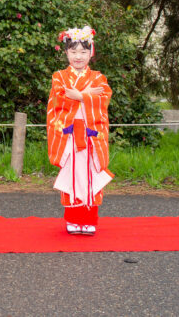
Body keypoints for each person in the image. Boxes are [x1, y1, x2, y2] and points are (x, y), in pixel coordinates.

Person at [46, 26, 114, 235]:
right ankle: (73, 219)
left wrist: (78, 95)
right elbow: (60, 99)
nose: (78, 56)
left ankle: (89, 219)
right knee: (72, 175)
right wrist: (87, 94)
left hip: (90, 134)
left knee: (90, 174)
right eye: (73, 51)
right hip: (69, 135)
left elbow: (103, 98)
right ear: (66, 52)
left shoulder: (98, 78)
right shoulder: (59, 77)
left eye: (83, 51)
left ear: (91, 52)